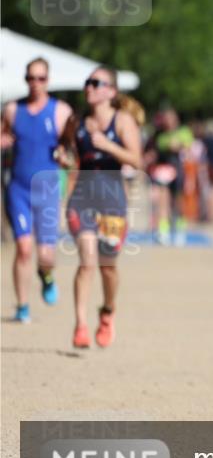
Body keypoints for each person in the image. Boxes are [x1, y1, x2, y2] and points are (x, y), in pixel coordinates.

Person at [59, 67, 143, 348]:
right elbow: (67, 151)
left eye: (96, 83)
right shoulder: (77, 121)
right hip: (82, 199)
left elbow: (137, 160)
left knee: (108, 267)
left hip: (112, 202)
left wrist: (107, 144)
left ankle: (107, 311)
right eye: (87, 83)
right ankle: (80, 325)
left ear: (111, 91)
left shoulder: (123, 121)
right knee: (87, 262)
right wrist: (64, 157)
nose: (89, 88)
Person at [1, 58, 73, 323]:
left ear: (48, 80)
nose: (35, 83)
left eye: (41, 78)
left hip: (47, 189)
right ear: (25, 79)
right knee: (23, 248)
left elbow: (69, 148)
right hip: (18, 188)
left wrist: (66, 159)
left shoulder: (60, 111)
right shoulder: (11, 109)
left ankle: (46, 275)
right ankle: (22, 306)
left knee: (45, 255)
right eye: (31, 78)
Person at [148, 108, 194, 245]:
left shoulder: (183, 132)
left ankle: (180, 230)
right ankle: (163, 231)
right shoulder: (159, 134)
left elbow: (188, 148)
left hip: (178, 169)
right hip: (162, 170)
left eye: (170, 118)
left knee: (177, 202)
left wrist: (179, 146)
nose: (167, 121)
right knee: (163, 201)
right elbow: (156, 149)